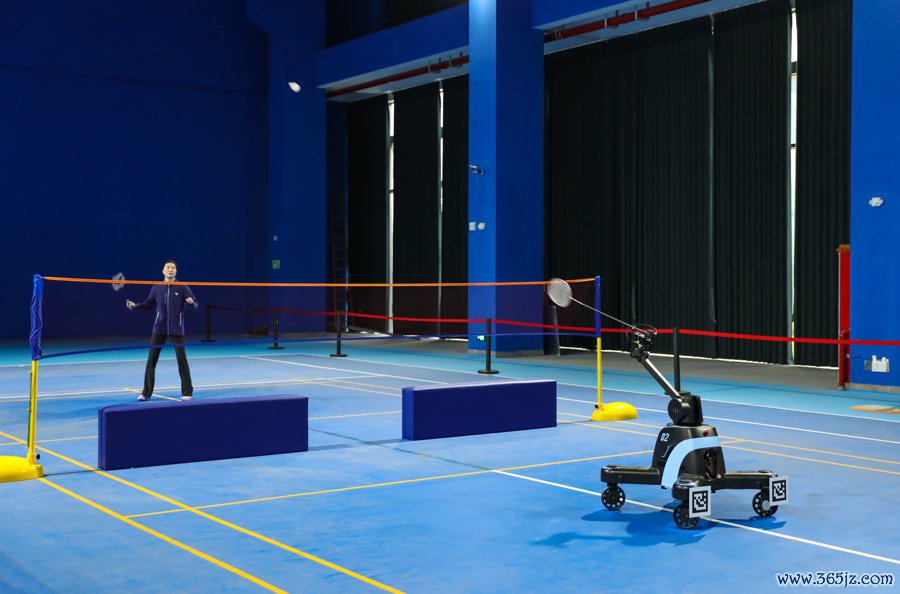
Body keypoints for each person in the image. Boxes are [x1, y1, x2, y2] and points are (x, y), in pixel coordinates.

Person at [126, 260, 198, 401]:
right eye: (168, 267)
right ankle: (146, 393)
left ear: (176, 271)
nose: (170, 269)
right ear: (163, 271)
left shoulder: (183, 287)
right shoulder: (157, 287)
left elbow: (195, 306)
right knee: (151, 360)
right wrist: (136, 306)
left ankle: (187, 392)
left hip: (177, 330)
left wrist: (191, 303)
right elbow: (148, 304)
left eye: (173, 268)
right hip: (159, 329)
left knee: (182, 360)